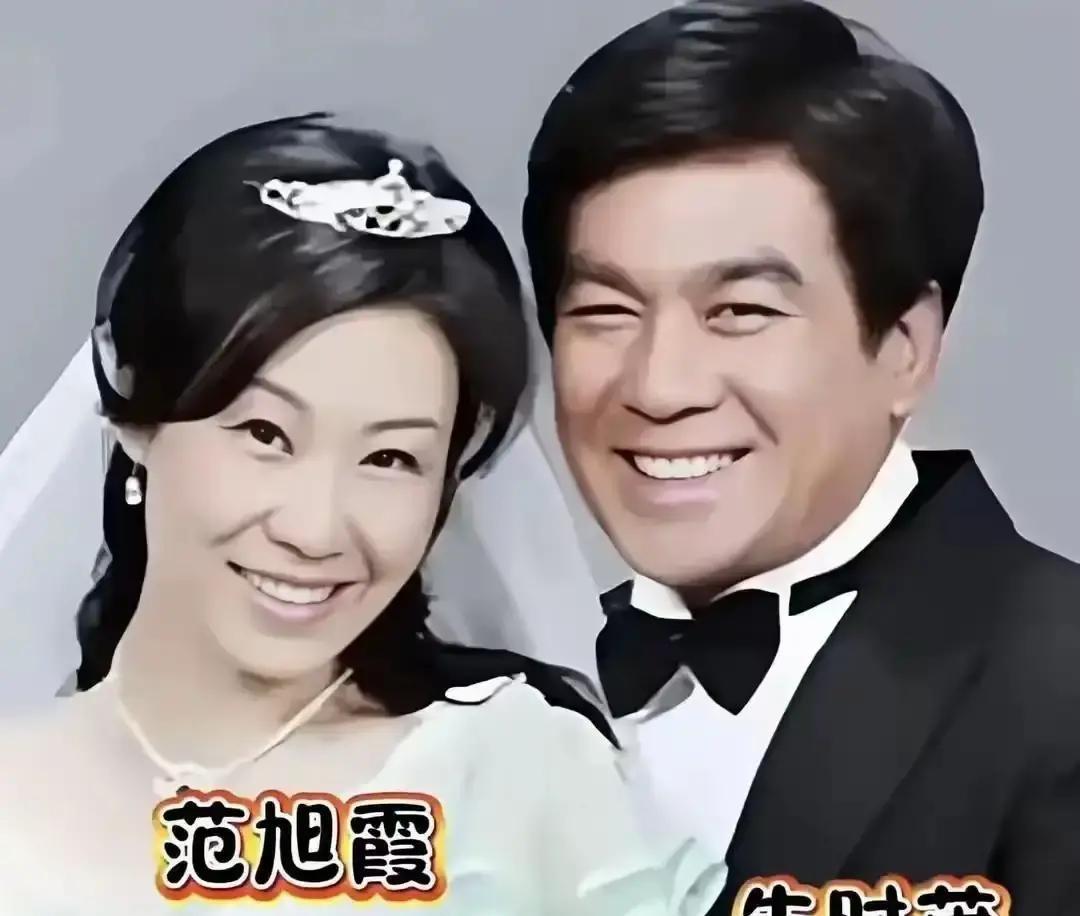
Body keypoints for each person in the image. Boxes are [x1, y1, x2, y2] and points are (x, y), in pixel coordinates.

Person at [0, 114, 721, 915]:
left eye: (390, 459)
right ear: (136, 412)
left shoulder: (519, 778)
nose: (315, 531)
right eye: (265, 434)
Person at [523, 1, 1080, 912]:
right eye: (605, 312)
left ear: (905, 348)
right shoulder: (505, 692)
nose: (660, 386)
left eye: (741, 311)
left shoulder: (1058, 682)